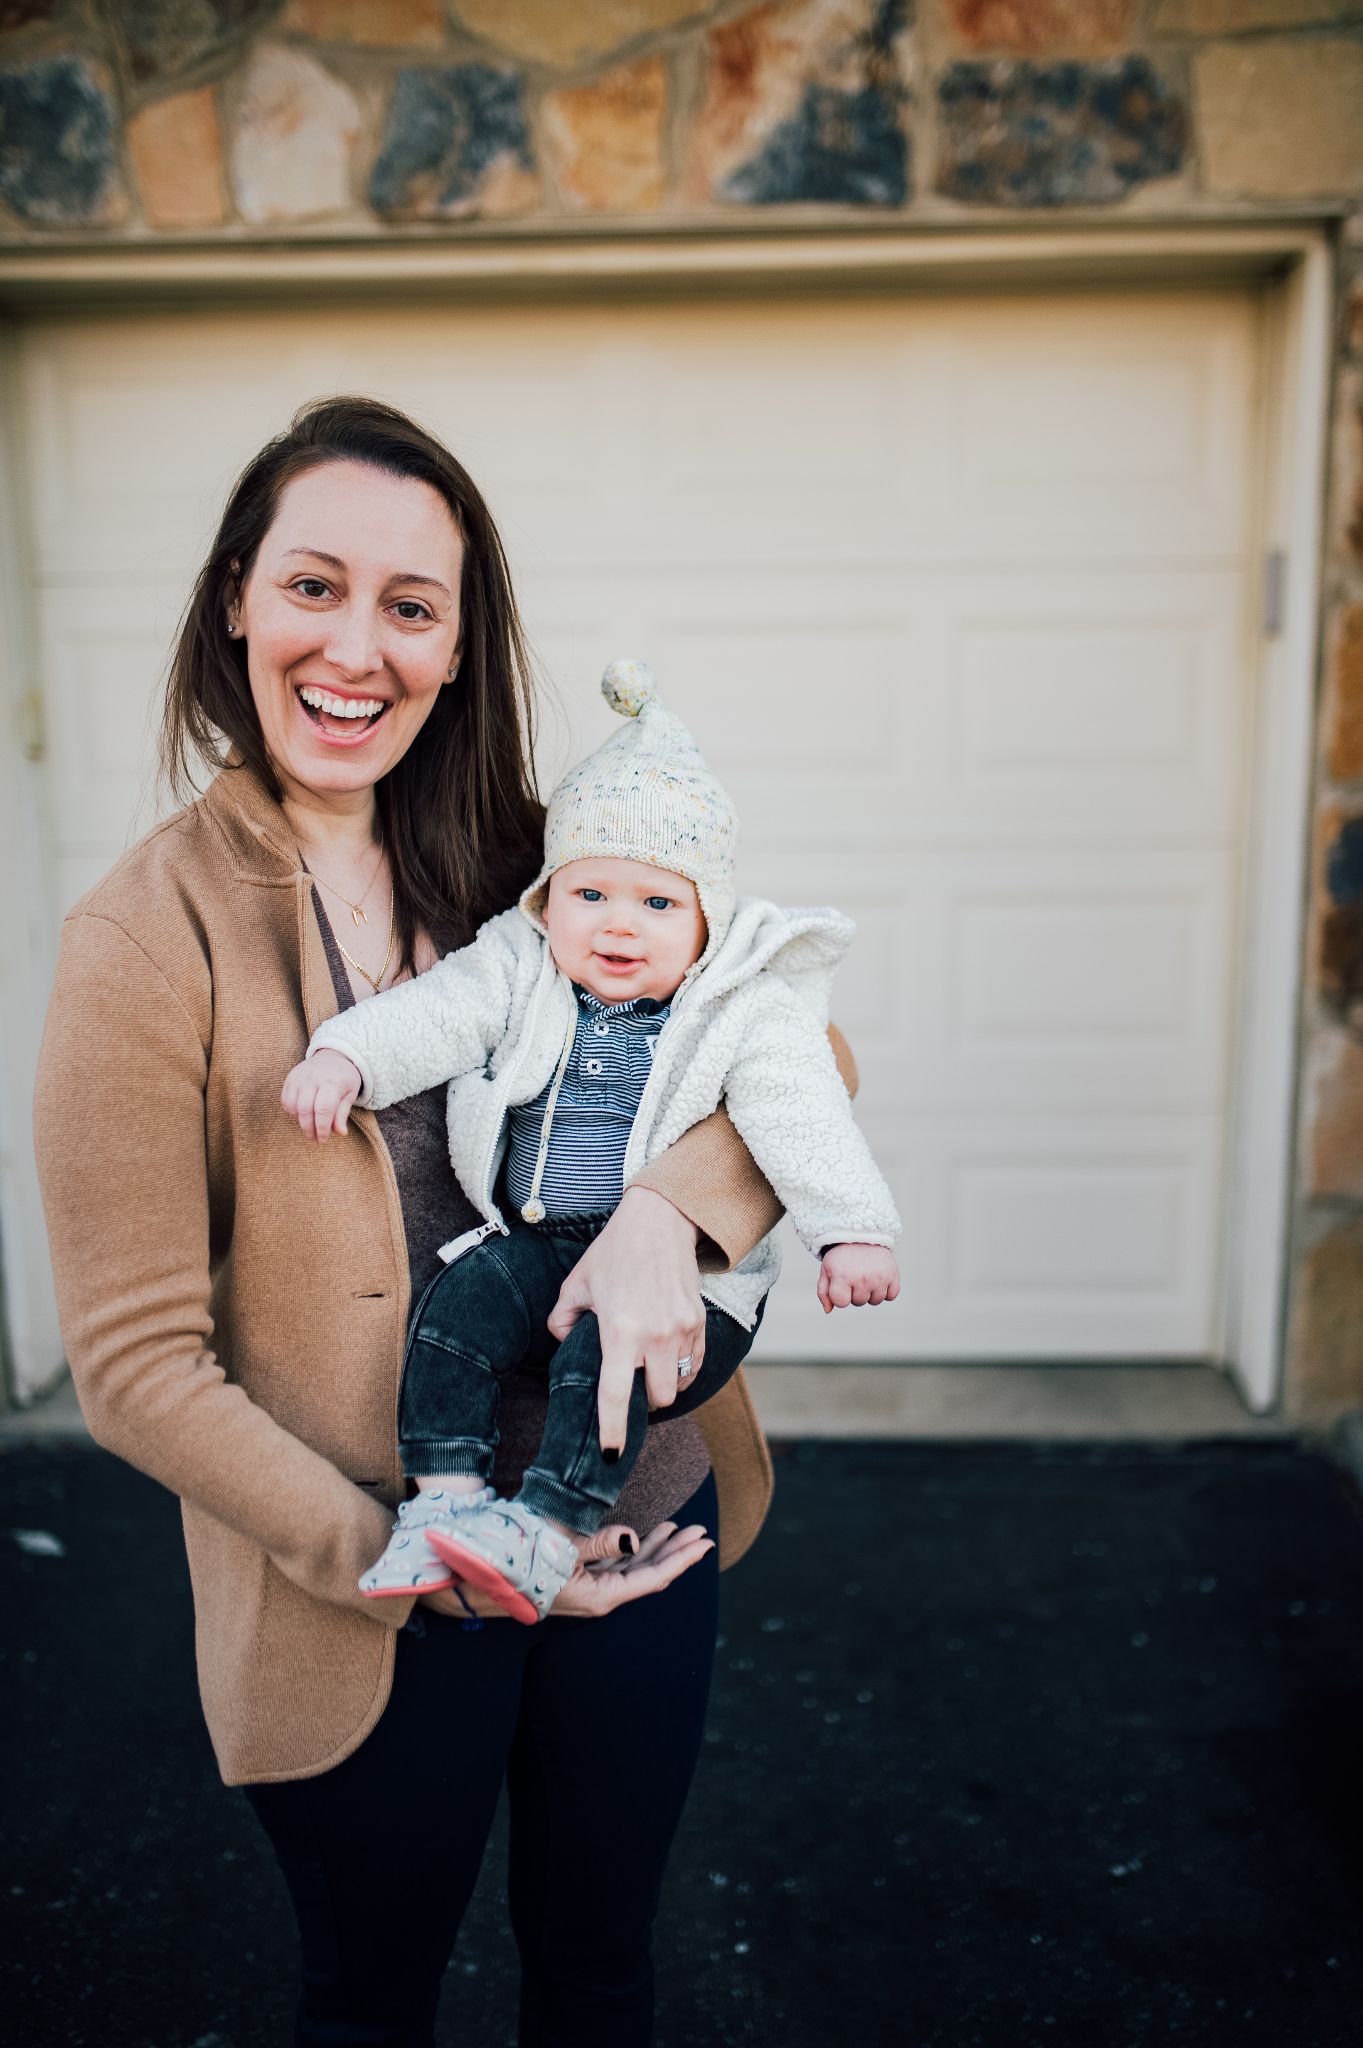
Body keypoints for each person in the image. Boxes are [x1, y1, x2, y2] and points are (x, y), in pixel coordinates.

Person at [31, 396, 861, 2048]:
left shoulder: (534, 857)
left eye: (410, 606)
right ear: (235, 605)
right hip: (372, 1585)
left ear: (459, 645)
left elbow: (802, 1047)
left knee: (602, 1972)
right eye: (314, 587)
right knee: (373, 1999)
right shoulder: (145, 934)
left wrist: (662, 1225)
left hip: (637, 1516)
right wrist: (417, 1556)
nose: (359, 647)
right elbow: (131, 1363)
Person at [283, 658, 900, 1623]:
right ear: (547, 898)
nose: (619, 926)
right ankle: (446, 1501)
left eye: (658, 904)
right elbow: (433, 1015)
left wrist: (852, 1230)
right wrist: (347, 1058)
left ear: (707, 919)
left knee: (605, 1360)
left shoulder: (743, 1006)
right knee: (460, 1305)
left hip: (687, 1288)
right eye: (591, 895)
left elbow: (802, 1112)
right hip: (536, 1241)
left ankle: (553, 1525)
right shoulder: (518, 965)